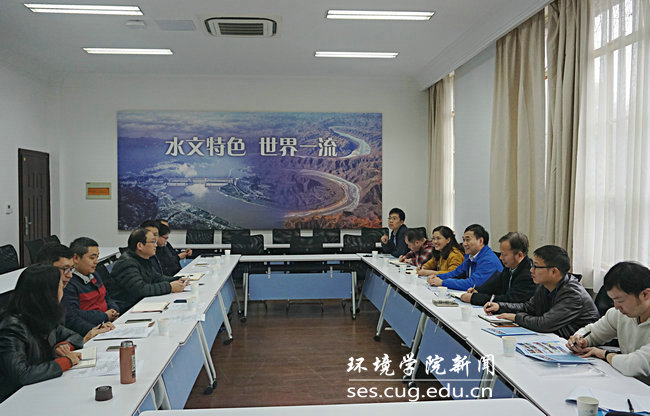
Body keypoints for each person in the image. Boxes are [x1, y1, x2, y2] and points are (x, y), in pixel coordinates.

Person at [0, 265, 84, 402]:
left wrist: (62, 346)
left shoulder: (42, 316)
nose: (63, 290)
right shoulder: (12, 327)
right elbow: (22, 374)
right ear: (48, 294)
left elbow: (76, 337)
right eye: (60, 286)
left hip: (43, 388)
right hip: (15, 399)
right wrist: (66, 361)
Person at [484, 245, 600, 339]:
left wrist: (515, 317)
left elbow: (544, 324)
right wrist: (500, 306)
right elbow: (529, 307)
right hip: (554, 338)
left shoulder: (573, 294)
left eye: (536, 266)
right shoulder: (546, 285)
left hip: (579, 347)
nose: (531, 270)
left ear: (554, 272)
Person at [567, 262, 650, 384]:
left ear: (645, 294)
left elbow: (634, 365)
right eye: (613, 300)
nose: (616, 306)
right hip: (630, 383)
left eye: (620, 300)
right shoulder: (619, 314)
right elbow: (592, 332)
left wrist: (604, 354)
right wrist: (580, 340)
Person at [37, 243, 113, 341]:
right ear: (46, 269)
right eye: (65, 269)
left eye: (71, 269)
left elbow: (63, 333)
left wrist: (95, 330)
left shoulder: (57, 294)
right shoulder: (37, 306)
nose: (70, 275)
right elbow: (71, 320)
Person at [107, 228, 187, 312]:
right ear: (140, 245)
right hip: (127, 309)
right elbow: (140, 290)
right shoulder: (127, 263)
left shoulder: (143, 259)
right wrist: (169, 287)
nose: (156, 245)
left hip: (140, 304)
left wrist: (178, 279)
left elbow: (157, 278)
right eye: (152, 242)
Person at [61, 237, 120, 337]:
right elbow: (73, 318)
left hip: (107, 325)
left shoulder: (95, 274)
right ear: (76, 258)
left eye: (97, 257)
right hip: (91, 332)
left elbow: (107, 297)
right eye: (92, 258)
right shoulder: (69, 283)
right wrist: (104, 319)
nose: (96, 261)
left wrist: (114, 310)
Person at [459, 232, 536, 305]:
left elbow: (510, 300)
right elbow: (495, 285)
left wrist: (475, 298)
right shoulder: (509, 267)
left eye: (504, 254)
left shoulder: (528, 274)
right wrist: (478, 291)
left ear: (519, 255)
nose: (500, 258)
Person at [428, 224, 503, 290]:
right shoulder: (470, 256)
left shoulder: (488, 260)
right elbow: (456, 273)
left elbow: (472, 283)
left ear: (480, 241)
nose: (464, 244)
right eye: (463, 240)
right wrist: (438, 277)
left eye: (467, 240)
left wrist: (443, 282)